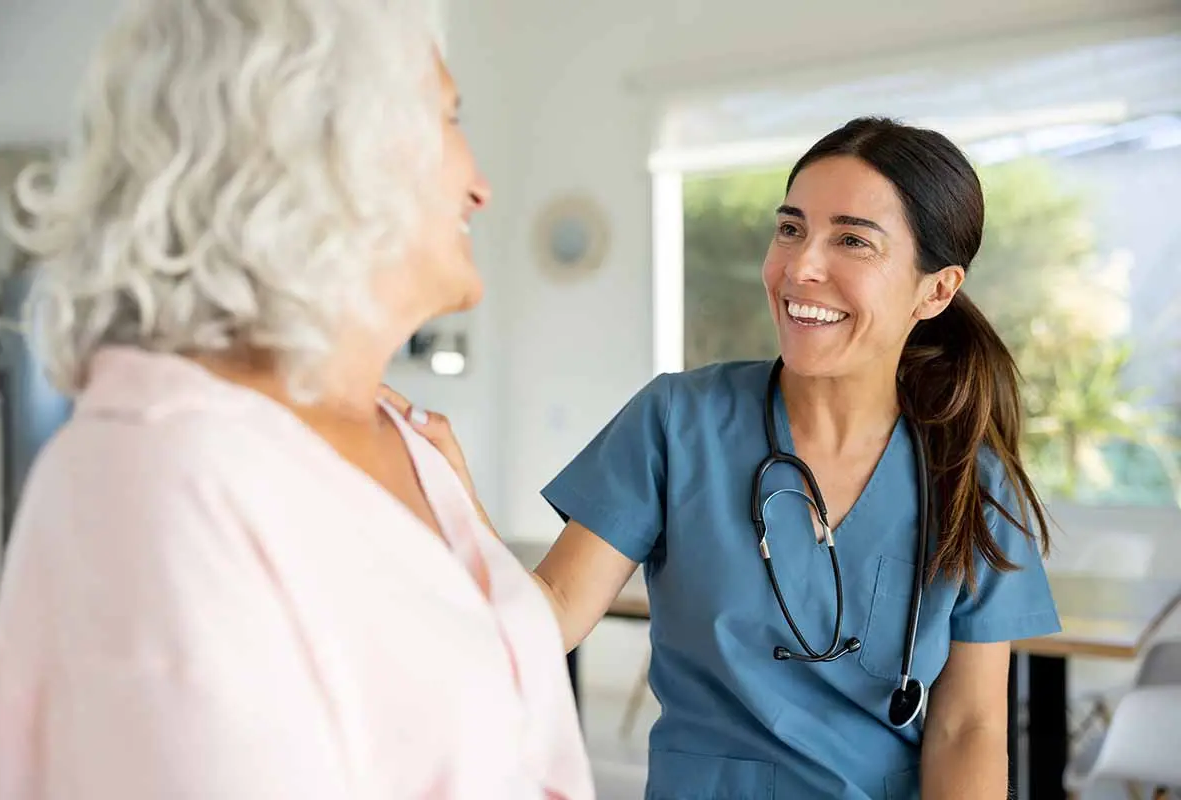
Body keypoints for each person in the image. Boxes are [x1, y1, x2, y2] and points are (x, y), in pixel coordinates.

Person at [0, 1, 593, 798]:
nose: (480, 187)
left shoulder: (410, 439)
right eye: (449, 117)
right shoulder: (158, 476)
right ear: (324, 147)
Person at [393, 116, 1061, 799]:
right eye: (791, 227)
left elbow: (969, 727)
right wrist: (454, 506)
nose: (800, 266)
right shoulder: (678, 422)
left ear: (937, 290)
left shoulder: (970, 479)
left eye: (853, 240)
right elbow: (551, 617)